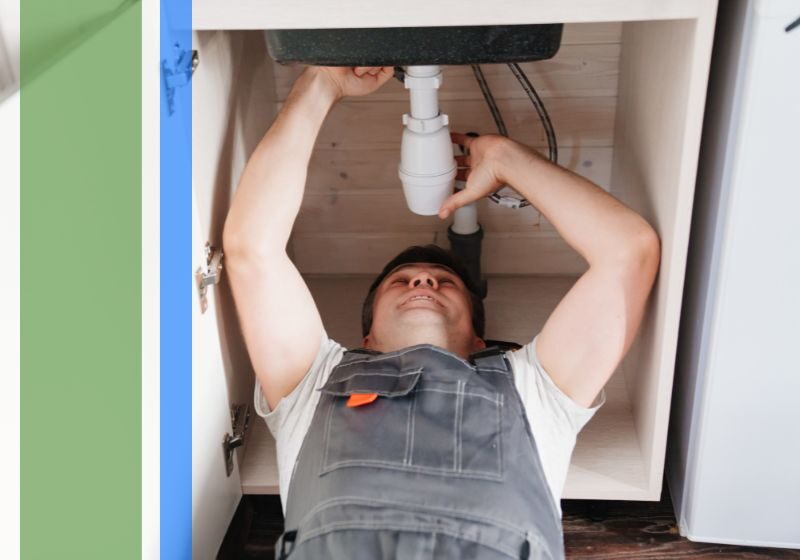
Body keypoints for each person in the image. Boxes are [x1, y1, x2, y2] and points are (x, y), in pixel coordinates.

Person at [224, 66, 660, 559]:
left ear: (481, 340)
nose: (423, 281)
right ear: (364, 337)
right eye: (402, 281)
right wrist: (321, 82)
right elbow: (251, 248)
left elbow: (630, 252)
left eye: (444, 282)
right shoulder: (314, 378)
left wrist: (505, 158)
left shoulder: (534, 389)